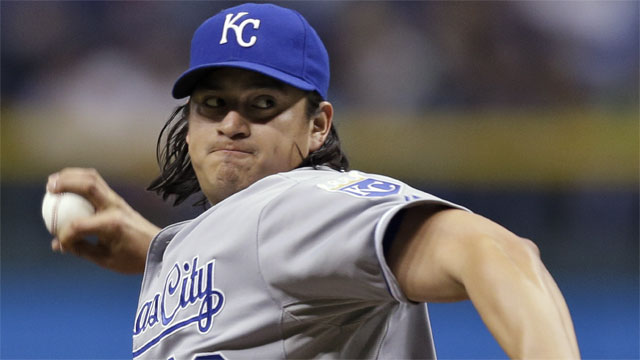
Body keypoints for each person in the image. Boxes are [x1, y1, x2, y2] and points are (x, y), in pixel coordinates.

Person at [46, 3, 580, 359]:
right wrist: (155, 251)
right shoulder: (253, 231)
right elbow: (265, 278)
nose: (232, 123)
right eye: (213, 105)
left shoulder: (298, 202)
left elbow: (498, 252)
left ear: (318, 125)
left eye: (262, 104)